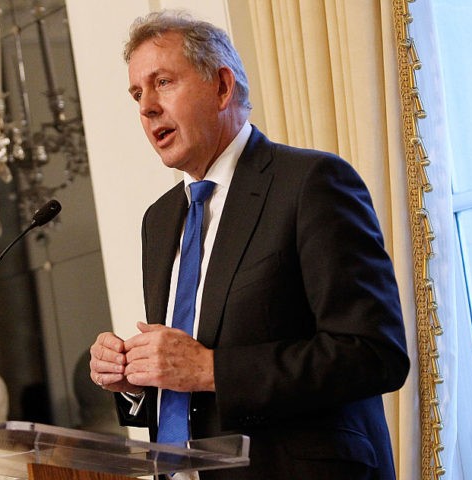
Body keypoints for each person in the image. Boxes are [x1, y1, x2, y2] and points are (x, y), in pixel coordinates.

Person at [89, 10, 409, 480]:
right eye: (138, 93)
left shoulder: (310, 184)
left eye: (163, 82)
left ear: (222, 87)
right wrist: (134, 377)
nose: (146, 107)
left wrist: (211, 369)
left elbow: (373, 354)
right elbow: (186, 382)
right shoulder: (158, 221)